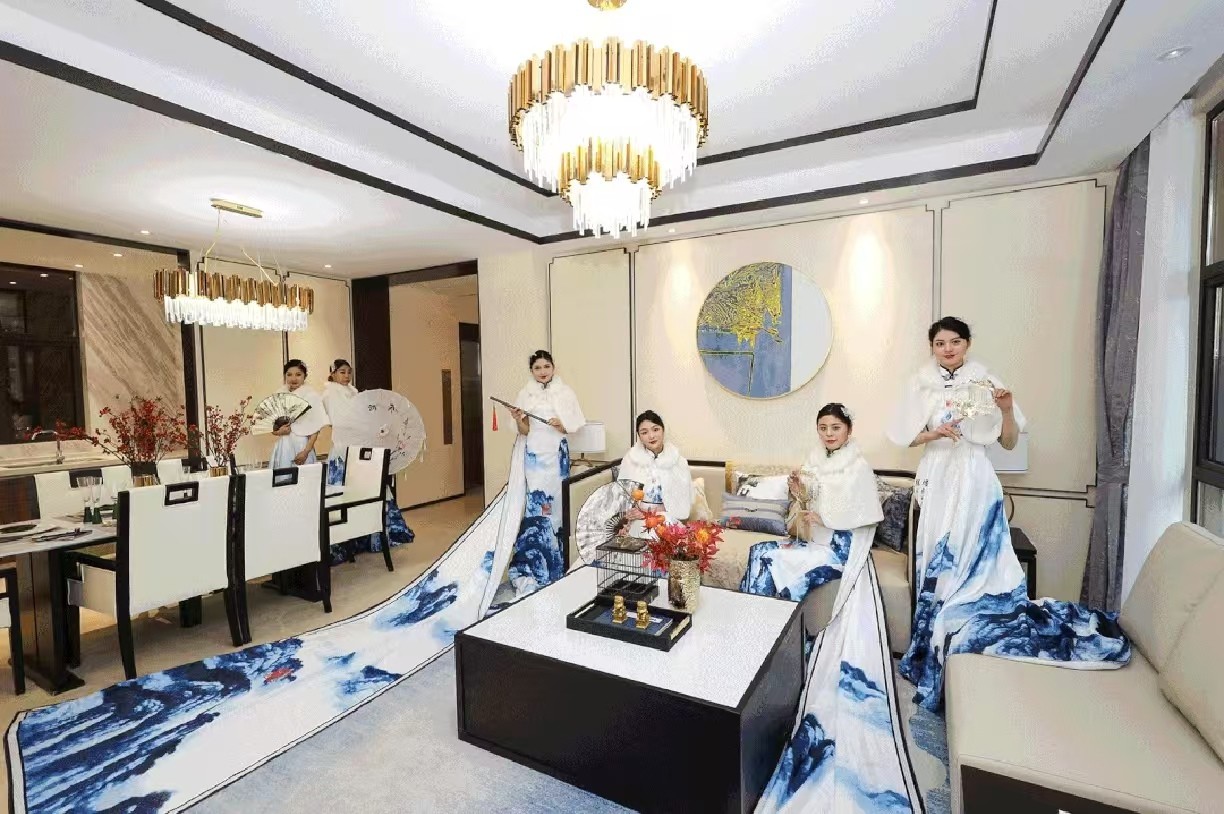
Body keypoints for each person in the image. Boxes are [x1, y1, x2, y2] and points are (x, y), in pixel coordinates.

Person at [888, 316, 1128, 711]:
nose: (947, 349)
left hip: (976, 476)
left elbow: (1009, 441)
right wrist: (935, 433)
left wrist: (1006, 409)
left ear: (967, 344)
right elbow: (905, 436)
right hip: (938, 474)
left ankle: (967, 624)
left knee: (975, 555)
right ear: (932, 347)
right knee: (938, 555)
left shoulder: (985, 382)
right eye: (940, 343)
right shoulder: (920, 383)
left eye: (955, 342)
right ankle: (932, 637)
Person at [741, 403, 882, 601]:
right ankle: (753, 610)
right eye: (823, 428)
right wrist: (799, 489)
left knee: (770, 558)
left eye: (836, 427)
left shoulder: (859, 467)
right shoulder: (815, 460)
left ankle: (767, 613)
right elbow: (814, 500)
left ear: (849, 429)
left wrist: (824, 519)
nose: (829, 434)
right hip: (815, 539)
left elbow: (864, 515)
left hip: (839, 547)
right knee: (758, 550)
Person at [506, 350, 585, 597]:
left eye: (546, 366)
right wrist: (518, 418)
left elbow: (573, 425)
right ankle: (531, 565)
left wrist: (561, 424)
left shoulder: (565, 392)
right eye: (537, 368)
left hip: (556, 455)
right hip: (535, 457)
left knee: (557, 504)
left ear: (553, 367)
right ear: (532, 371)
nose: (542, 371)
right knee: (536, 507)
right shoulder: (525, 393)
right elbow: (524, 430)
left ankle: (557, 562)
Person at [617, 410, 693, 536]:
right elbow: (622, 498)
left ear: (663, 430)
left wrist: (652, 513)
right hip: (638, 520)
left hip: (667, 518)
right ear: (639, 436)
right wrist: (631, 515)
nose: (651, 436)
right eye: (644, 432)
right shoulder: (630, 460)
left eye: (655, 429)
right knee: (642, 532)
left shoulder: (679, 462)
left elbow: (683, 503)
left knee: (665, 533)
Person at [270, 359, 329, 469]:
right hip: (284, 445)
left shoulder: (311, 396)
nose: (293, 378)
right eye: (289, 374)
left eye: (298, 374)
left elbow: (315, 429)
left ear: (305, 376)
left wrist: (306, 452)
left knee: (303, 476)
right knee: (283, 477)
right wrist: (278, 432)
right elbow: (272, 425)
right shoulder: (279, 395)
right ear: (285, 376)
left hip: (303, 445)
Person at [321, 359, 358, 425]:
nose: (347, 376)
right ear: (333, 374)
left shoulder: (353, 392)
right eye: (342, 372)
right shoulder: (329, 394)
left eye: (349, 372)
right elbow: (334, 420)